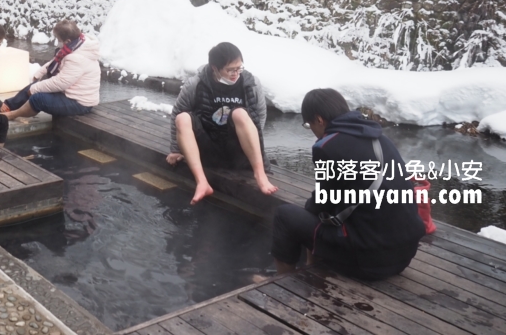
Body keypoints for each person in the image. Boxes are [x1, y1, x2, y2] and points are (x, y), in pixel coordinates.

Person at [271, 88, 425, 280]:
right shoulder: (381, 139)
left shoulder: (326, 147)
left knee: (285, 216)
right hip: (404, 255)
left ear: (319, 120)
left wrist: (307, 212)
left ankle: (283, 282)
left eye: (308, 124)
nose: (311, 130)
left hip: (368, 264)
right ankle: (312, 265)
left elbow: (322, 202)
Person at [166, 42, 277, 204]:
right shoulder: (196, 84)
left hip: (238, 151)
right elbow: (177, 113)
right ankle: (202, 182)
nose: (236, 74)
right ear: (215, 68)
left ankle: (260, 175)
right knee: (182, 118)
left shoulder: (251, 84)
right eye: (230, 70)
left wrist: (257, 151)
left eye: (239, 68)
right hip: (208, 148)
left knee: (240, 113)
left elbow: (259, 118)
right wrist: (176, 149)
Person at [1, 20, 100, 121]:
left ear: (68, 41)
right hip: (67, 93)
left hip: (79, 103)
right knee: (35, 85)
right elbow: (56, 61)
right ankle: (7, 106)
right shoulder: (77, 45)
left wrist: (35, 88)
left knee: (37, 98)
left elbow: (61, 83)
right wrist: (39, 74)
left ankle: (12, 115)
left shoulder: (77, 58)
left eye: (58, 39)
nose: (57, 42)